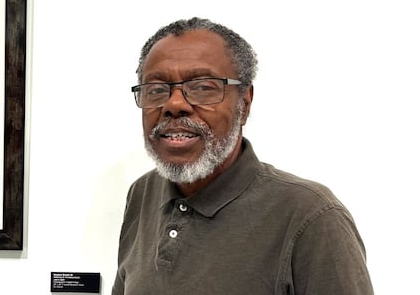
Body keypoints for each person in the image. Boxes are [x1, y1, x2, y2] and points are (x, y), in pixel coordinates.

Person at [112, 17, 373, 294]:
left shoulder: (311, 216)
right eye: (156, 90)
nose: (174, 104)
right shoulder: (142, 194)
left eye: (202, 87)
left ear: (244, 103)